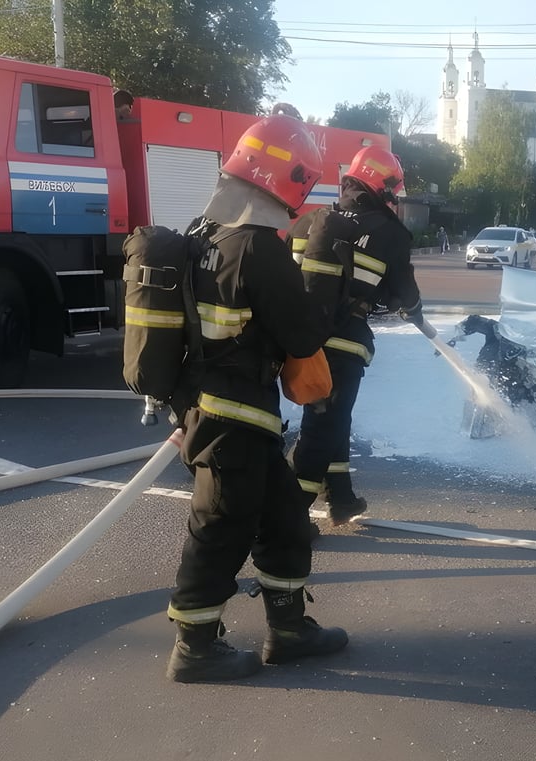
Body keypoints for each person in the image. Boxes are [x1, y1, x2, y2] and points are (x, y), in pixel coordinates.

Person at [164, 106, 348, 684]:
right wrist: (321, 288)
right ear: (290, 180)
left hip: (230, 412)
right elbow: (302, 335)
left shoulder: (205, 233)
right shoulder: (259, 247)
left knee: (285, 519)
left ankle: (289, 629)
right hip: (232, 416)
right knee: (220, 527)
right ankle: (194, 647)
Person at [286, 146, 422, 533]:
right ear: (385, 188)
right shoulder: (390, 233)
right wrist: (413, 307)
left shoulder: (310, 221)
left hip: (301, 342)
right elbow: (404, 292)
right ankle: (290, 517)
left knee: (331, 419)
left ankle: (341, 497)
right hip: (344, 345)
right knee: (322, 427)